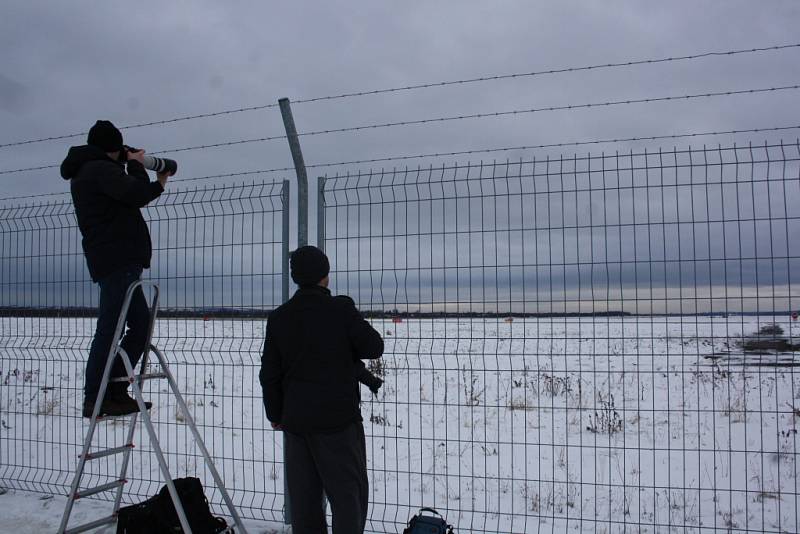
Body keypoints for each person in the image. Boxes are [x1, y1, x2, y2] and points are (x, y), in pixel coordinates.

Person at [260, 245, 384, 534]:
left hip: (295, 423)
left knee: (304, 502)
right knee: (347, 498)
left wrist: (275, 414)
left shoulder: (279, 317)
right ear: (325, 276)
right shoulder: (340, 309)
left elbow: (269, 374)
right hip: (337, 424)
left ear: (295, 277)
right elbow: (374, 347)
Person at [60, 120, 172, 418]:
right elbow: (136, 193)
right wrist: (136, 164)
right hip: (117, 260)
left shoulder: (93, 171)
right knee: (110, 330)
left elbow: (130, 195)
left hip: (117, 261)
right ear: (112, 149)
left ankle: (115, 391)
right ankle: (97, 397)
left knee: (138, 326)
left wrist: (158, 182)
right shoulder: (98, 170)